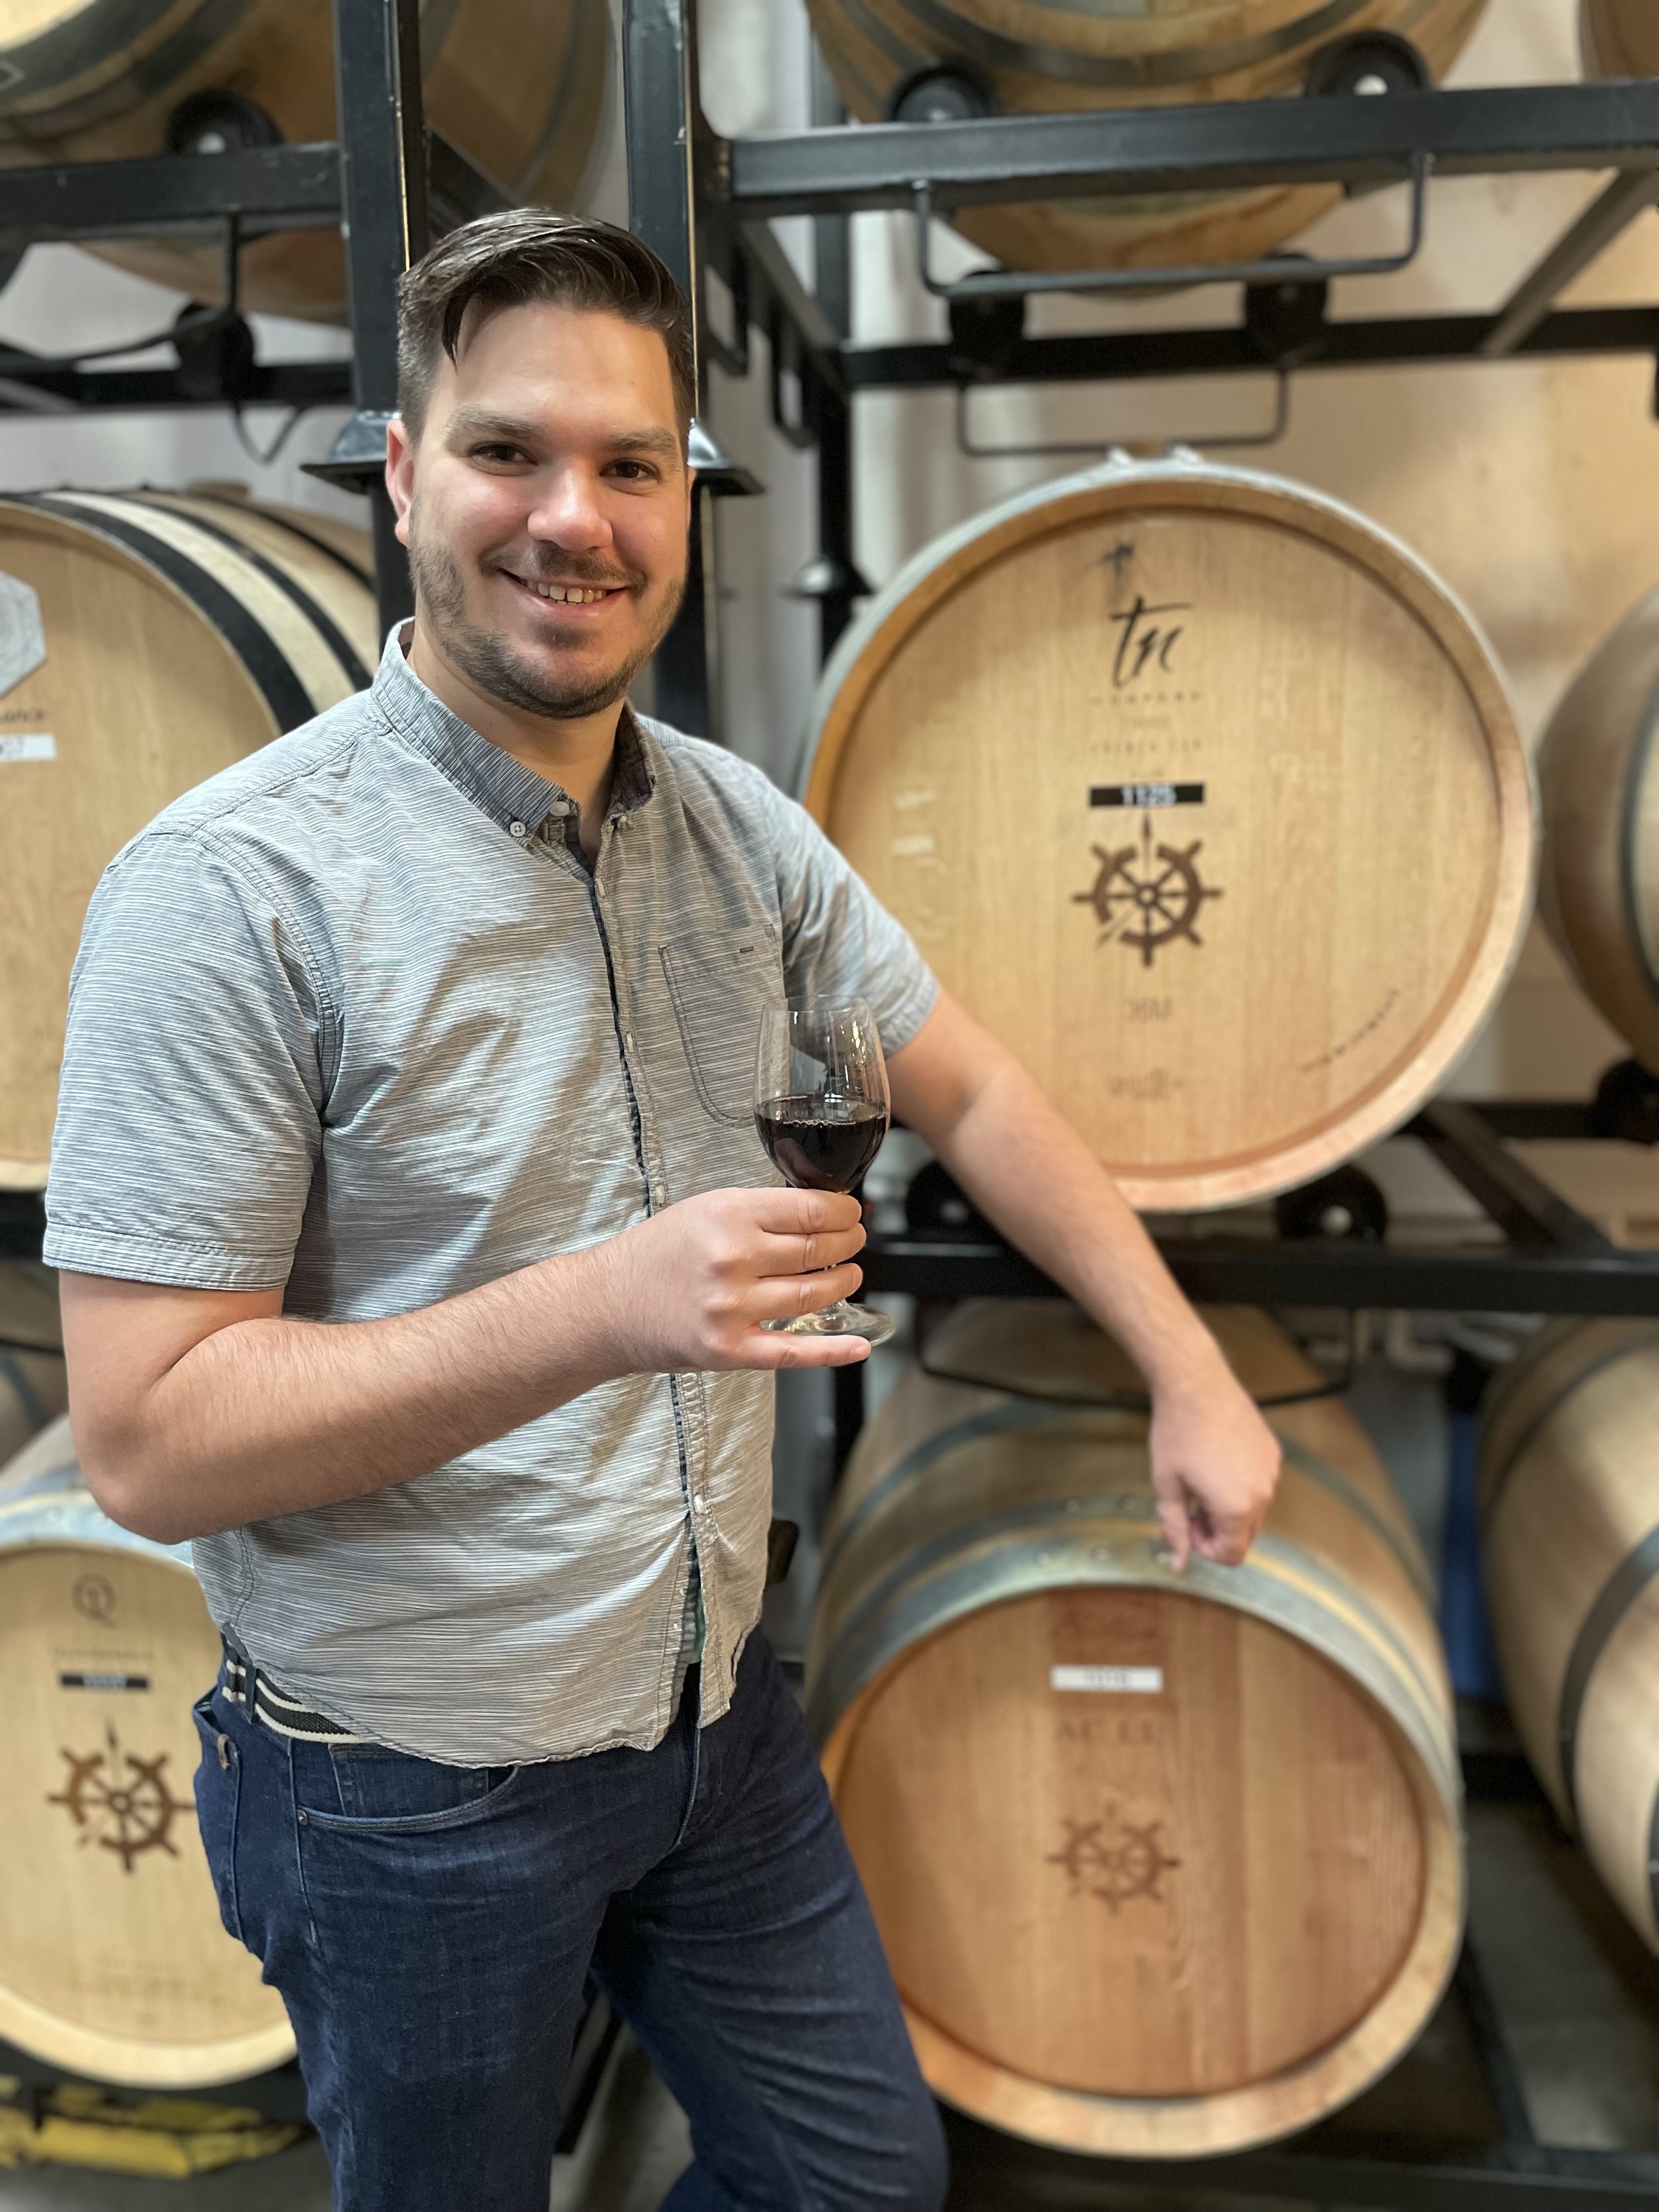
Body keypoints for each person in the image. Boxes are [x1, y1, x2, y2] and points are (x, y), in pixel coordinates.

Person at [46, 210, 1281, 2212]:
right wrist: (605, 1307)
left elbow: (963, 1081)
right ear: (398, 472)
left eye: (631, 466)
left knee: (851, 2185)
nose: (576, 518)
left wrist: (1184, 1370)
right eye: (507, 452)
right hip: (409, 1788)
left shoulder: (731, 826)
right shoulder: (232, 893)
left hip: (709, 1718)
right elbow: (147, 1439)